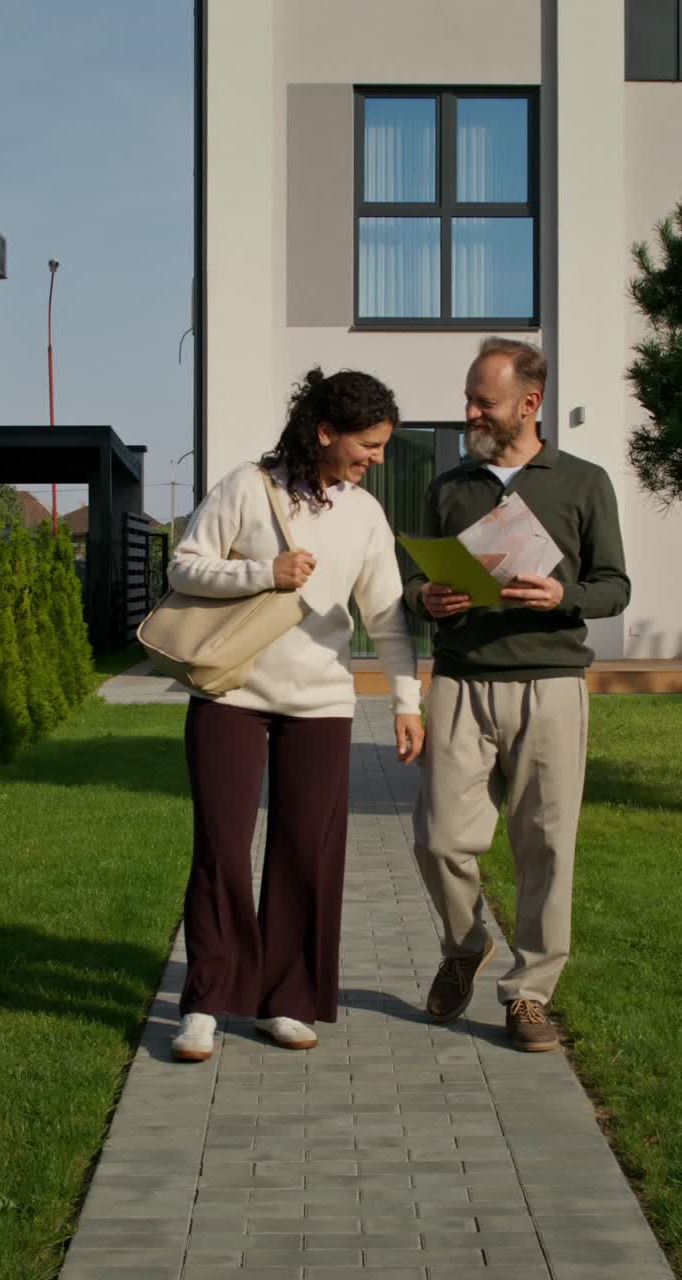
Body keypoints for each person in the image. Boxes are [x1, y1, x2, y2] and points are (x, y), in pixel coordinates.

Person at [168, 367, 424, 1061]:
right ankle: (207, 1001)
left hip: (322, 704)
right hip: (231, 692)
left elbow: (388, 619)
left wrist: (406, 700)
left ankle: (285, 998)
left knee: (305, 849)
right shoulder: (247, 487)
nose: (377, 459)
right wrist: (263, 573)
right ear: (324, 433)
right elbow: (183, 567)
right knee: (222, 846)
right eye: (368, 445)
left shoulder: (366, 515)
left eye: (381, 447)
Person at [405, 338, 630, 1052]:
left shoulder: (584, 482)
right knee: (439, 839)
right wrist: (427, 597)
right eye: (470, 397)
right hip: (462, 681)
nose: (469, 411)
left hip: (552, 685)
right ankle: (466, 944)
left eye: (483, 401)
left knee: (546, 848)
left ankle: (529, 995)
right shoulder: (450, 489)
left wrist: (566, 594)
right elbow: (410, 587)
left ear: (529, 404)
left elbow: (615, 587)